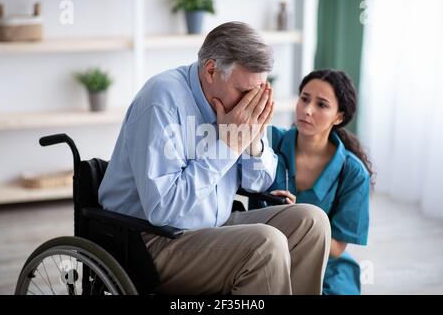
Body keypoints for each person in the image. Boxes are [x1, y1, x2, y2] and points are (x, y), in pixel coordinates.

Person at [99, 22, 331, 295]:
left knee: (311, 222)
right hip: (151, 240)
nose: (251, 102)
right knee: (266, 244)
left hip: (214, 224)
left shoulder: (238, 107)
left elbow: (260, 183)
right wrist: (227, 146)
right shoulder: (161, 99)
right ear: (211, 70)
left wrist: (252, 140)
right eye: (245, 92)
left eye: (258, 91)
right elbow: (163, 210)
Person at [259, 69, 373, 295]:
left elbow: (338, 247)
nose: (307, 110)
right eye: (304, 99)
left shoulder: (353, 173)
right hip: (265, 254)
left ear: (339, 117)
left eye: (321, 105)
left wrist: (298, 221)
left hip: (324, 265)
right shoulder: (268, 141)